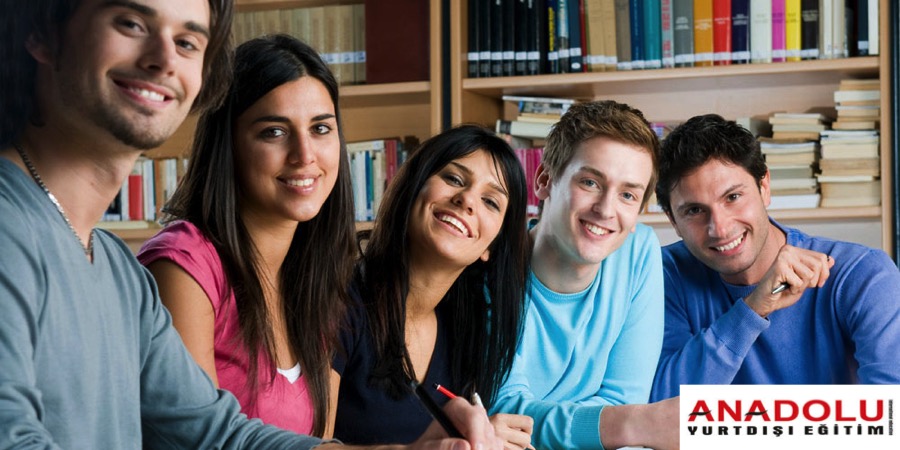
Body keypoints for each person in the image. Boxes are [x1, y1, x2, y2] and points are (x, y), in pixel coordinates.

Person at [0, 1, 501, 448]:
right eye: (131, 22)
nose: (164, 59)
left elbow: (214, 431)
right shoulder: (18, 231)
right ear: (42, 32)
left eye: (189, 41)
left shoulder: (115, 269)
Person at [136, 34, 353, 437]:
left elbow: (317, 443)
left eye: (321, 128)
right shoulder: (183, 264)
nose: (305, 155)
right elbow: (200, 441)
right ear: (229, 145)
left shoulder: (315, 278)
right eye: (274, 132)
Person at [650, 114, 900, 401]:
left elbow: (890, 418)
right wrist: (753, 310)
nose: (719, 228)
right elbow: (661, 407)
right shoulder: (661, 276)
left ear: (764, 187)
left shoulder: (863, 276)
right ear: (672, 220)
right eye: (694, 210)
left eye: (732, 197)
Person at [489, 100, 679, 450]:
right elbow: (505, 413)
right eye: (590, 182)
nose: (606, 210)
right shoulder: (489, 263)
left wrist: (625, 423)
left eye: (627, 194)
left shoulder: (638, 252)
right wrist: (632, 424)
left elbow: (624, 398)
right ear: (544, 180)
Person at [333, 125, 535, 448]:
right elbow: (303, 443)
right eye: (454, 179)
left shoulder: (465, 334)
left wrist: (477, 438)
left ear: (490, 248)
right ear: (414, 188)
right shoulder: (341, 301)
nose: (467, 199)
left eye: (490, 202)